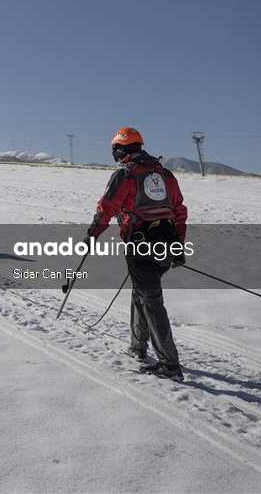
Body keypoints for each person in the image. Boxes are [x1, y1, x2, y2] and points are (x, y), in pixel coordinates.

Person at [85, 127, 187, 381]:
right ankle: (138, 346)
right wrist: (178, 247)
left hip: (141, 247)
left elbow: (106, 209)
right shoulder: (166, 175)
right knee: (141, 291)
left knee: (151, 300)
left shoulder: (125, 176)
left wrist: (92, 235)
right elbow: (179, 211)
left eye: (114, 151)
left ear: (120, 150)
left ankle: (169, 364)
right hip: (166, 243)